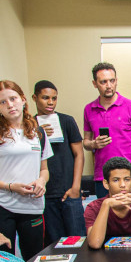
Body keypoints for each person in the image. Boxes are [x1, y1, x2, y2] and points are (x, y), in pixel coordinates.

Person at [0, 80, 52, 260]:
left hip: (32, 205)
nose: (10, 105)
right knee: (4, 259)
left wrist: (41, 181)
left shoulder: (39, 133)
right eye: (3, 102)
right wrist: (9, 186)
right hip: (1, 205)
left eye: (13, 98)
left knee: (34, 258)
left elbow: (45, 170)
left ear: (23, 100)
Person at [31, 80, 86, 243]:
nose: (50, 102)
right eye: (45, 98)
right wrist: (37, 134)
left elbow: (79, 154)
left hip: (69, 192)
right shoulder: (28, 125)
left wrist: (76, 187)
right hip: (45, 194)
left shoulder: (67, 121)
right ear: (35, 98)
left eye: (54, 98)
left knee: (78, 240)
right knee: (53, 243)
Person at [82, 62, 131, 198]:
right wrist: (94, 144)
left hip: (127, 176)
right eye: (103, 82)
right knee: (105, 217)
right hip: (103, 178)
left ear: (116, 81)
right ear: (95, 83)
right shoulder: (89, 109)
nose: (109, 85)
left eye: (112, 81)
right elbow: (86, 142)